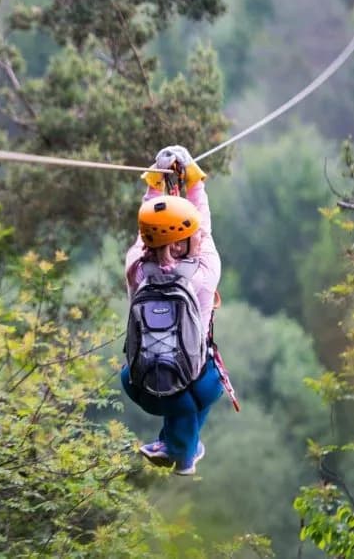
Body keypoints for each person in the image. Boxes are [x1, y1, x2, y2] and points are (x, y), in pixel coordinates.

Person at [120, 145, 223, 476]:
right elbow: (201, 225)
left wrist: (157, 178)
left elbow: (147, 225)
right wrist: (193, 180)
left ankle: (177, 445)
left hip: (142, 386)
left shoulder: (136, 268)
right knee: (212, 382)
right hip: (194, 383)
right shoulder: (204, 274)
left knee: (162, 386)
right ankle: (183, 452)